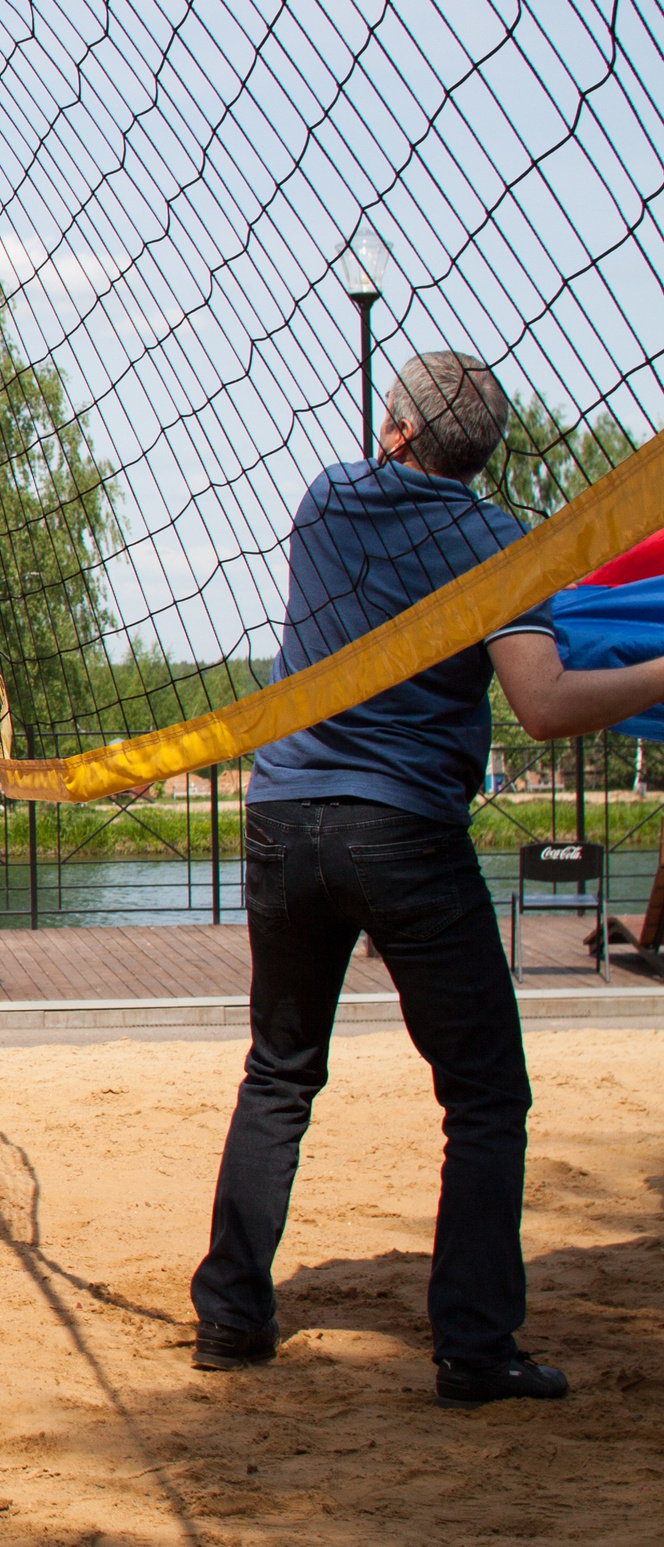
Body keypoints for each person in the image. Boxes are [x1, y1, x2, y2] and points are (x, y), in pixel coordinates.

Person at [191, 352, 664, 1408]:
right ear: (479, 453)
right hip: (402, 828)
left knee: (278, 1072)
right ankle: (474, 1349)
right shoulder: (500, 545)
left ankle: (229, 1314)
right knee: (487, 1094)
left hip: (282, 816)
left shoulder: (325, 499)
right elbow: (540, 706)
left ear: (398, 432)